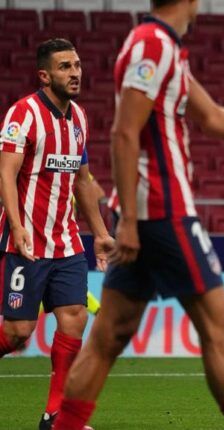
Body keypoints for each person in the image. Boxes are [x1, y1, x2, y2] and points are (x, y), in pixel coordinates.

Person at [55, 1, 224, 429]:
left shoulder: (160, 46)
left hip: (147, 217)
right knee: (221, 331)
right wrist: (129, 223)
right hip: (164, 214)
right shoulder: (152, 45)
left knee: (109, 337)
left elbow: (210, 116)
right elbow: (123, 133)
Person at [0, 38, 113, 430]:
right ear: (45, 75)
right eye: (65, 66)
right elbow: (6, 173)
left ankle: (56, 416)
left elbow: (82, 182)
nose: (76, 72)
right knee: (18, 334)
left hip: (66, 242)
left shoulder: (80, 118)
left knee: (74, 318)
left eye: (78, 65)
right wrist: (16, 227)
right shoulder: (23, 114)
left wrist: (99, 233)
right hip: (26, 242)